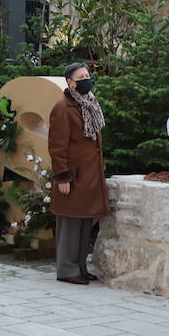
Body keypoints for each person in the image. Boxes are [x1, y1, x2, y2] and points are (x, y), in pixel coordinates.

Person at [47, 62, 111, 285]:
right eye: (81, 76)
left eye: (88, 75)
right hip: (73, 176)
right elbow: (57, 147)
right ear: (70, 82)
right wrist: (62, 177)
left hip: (89, 176)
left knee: (84, 224)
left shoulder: (90, 104)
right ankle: (67, 269)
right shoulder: (63, 108)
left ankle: (80, 267)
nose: (87, 79)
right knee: (70, 225)